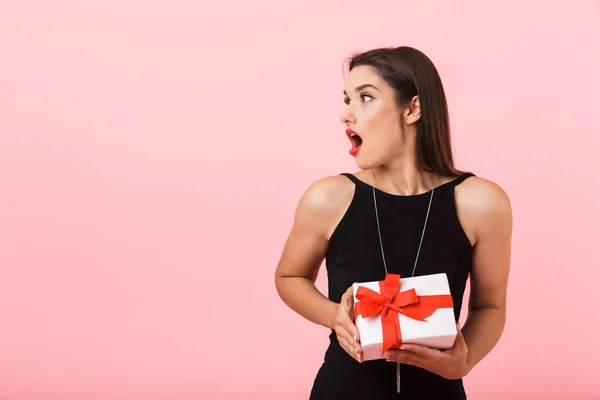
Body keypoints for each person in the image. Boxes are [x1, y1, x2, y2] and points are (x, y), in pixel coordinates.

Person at [274, 46, 512, 399]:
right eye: (347, 99)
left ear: (412, 108)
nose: (346, 115)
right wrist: (334, 314)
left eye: (365, 97)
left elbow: (489, 307)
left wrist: (464, 362)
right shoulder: (328, 197)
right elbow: (288, 277)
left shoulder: (481, 202)